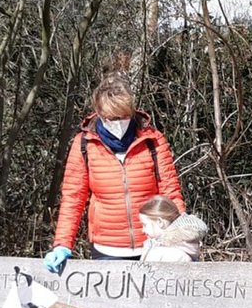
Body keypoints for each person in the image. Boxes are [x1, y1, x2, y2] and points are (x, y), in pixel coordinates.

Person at [44, 61, 186, 272]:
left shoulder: (153, 141)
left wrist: (182, 236)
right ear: (100, 114)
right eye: (112, 118)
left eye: (123, 117)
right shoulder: (84, 145)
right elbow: (73, 198)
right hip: (106, 250)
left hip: (154, 245)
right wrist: (63, 243)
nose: (118, 123)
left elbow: (171, 192)